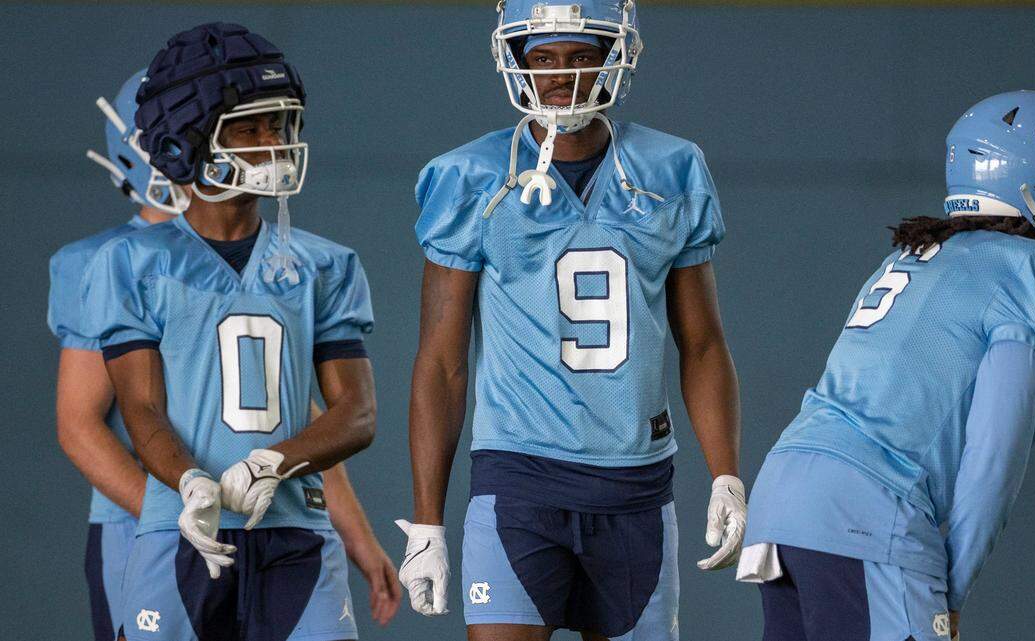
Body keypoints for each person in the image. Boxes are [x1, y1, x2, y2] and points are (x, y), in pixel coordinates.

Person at [398, 2, 745, 639]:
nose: (563, 77)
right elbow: (442, 362)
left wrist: (726, 473)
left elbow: (702, 343)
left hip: (636, 484)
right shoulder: (469, 176)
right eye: (545, 60)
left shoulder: (672, 167)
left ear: (616, 57)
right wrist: (426, 522)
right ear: (517, 63)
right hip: (519, 475)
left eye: (583, 57)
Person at [736, 91, 1035, 641]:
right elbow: (995, 454)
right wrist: (953, 588)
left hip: (782, 499)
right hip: (866, 510)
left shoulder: (911, 254)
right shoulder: (1031, 267)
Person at [81, 23, 390, 641]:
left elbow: (356, 414)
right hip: (180, 527)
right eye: (247, 128)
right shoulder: (132, 264)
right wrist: (191, 482)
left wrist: (273, 464)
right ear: (186, 141)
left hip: (297, 533)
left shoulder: (326, 263)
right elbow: (141, 407)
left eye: (278, 125)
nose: (271, 143)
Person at [50, 67, 186, 641]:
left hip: (262, 526)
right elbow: (80, 425)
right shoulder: (102, 262)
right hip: (147, 529)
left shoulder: (268, 254)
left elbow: (294, 412)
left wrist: (352, 534)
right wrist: (176, 520)